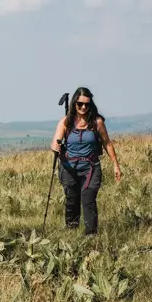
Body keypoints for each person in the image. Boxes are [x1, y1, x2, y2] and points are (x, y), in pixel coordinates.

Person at [50, 87, 122, 235]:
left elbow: (107, 143)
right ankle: (71, 232)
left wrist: (116, 166)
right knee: (72, 199)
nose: (83, 107)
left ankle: (91, 235)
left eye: (86, 104)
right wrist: (55, 146)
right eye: (80, 104)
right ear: (74, 103)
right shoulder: (66, 122)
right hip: (68, 167)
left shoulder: (97, 122)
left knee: (88, 198)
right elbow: (54, 143)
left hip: (90, 167)